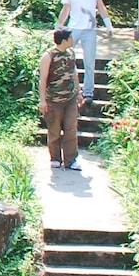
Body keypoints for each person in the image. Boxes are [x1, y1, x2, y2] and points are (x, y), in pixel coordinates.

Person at [55, 0, 112, 105]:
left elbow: (100, 6)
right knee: (66, 58)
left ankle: (88, 93)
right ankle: (69, 88)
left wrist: (108, 24)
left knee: (89, 62)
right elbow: (66, 9)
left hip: (90, 29)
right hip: (73, 28)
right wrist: (59, 26)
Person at [39, 27, 82, 171]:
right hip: (53, 100)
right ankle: (55, 158)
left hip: (70, 98)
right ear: (64, 40)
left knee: (71, 129)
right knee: (54, 130)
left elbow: (73, 72)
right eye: (70, 37)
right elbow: (43, 79)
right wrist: (42, 100)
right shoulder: (48, 56)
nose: (73, 40)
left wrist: (79, 91)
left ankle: (71, 160)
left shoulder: (71, 53)